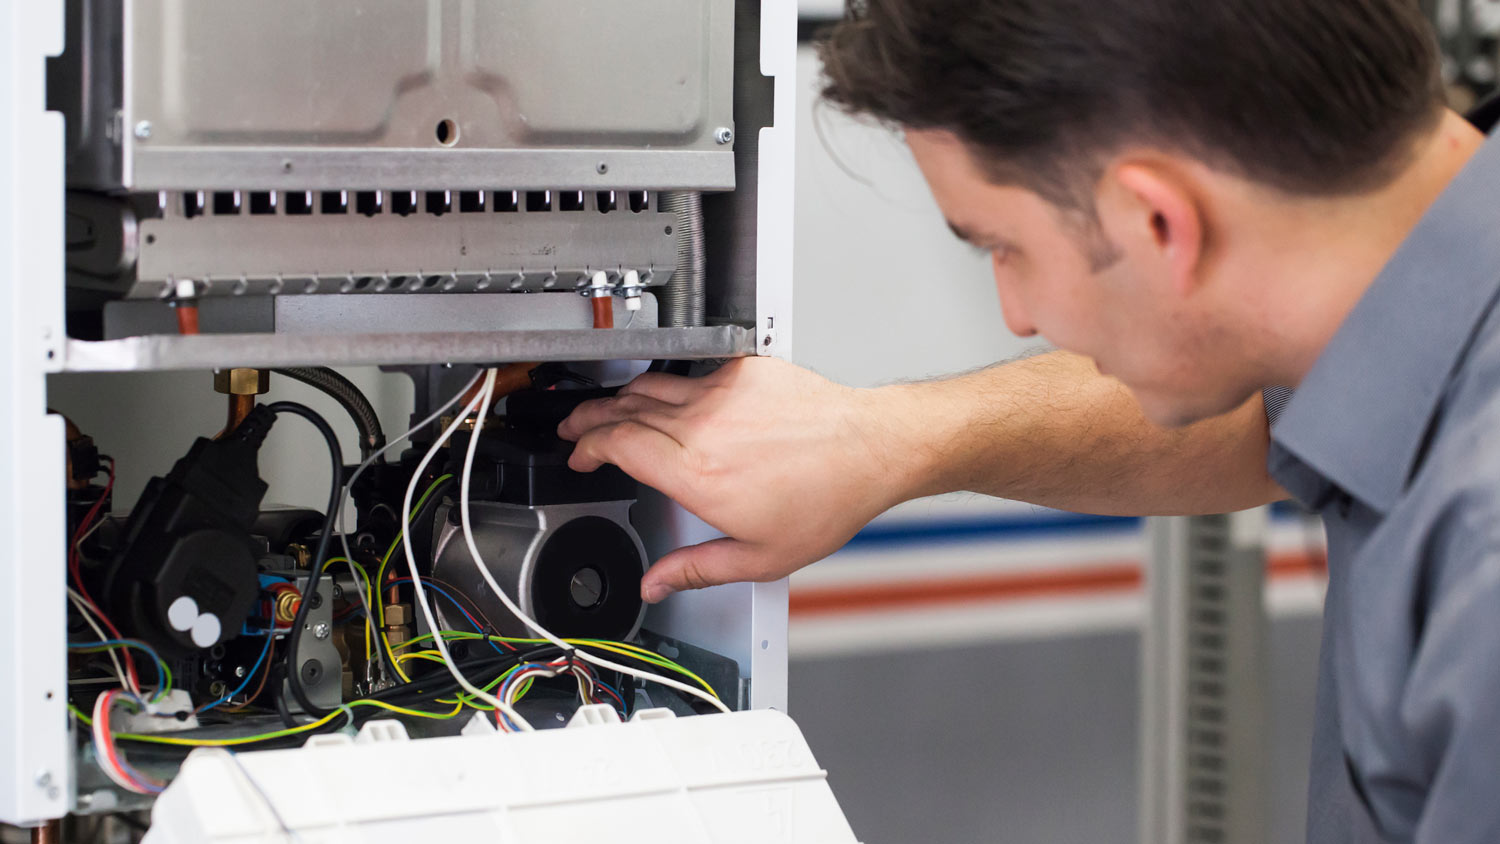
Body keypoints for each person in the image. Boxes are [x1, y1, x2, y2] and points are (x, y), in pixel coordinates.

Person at [560, 1, 1500, 841]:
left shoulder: (1480, 573)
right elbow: (1263, 406)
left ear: (1158, 223)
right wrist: (886, 441)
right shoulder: (1404, 281)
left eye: (1003, 247)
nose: (1018, 315)